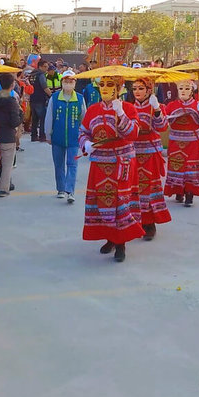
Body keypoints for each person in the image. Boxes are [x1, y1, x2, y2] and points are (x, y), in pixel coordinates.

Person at [78, 76, 143, 262]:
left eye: (110, 84)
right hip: (100, 163)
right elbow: (83, 132)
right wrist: (87, 143)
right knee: (103, 201)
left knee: (119, 201)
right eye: (102, 85)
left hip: (122, 162)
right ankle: (110, 238)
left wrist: (121, 114)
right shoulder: (92, 109)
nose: (105, 88)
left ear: (119, 87)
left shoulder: (129, 108)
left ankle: (121, 243)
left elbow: (133, 134)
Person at [130, 77, 171, 240]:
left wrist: (157, 110)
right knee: (134, 187)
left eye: (141, 88)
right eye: (134, 88)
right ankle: (135, 221)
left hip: (150, 151)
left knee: (149, 186)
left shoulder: (158, 106)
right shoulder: (129, 107)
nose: (137, 92)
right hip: (133, 151)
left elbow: (162, 127)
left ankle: (149, 223)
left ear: (149, 90)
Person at [164, 79, 199, 206]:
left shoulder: (198, 104)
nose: (183, 91)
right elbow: (162, 123)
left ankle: (189, 193)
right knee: (177, 166)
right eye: (181, 89)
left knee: (190, 168)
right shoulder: (171, 105)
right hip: (175, 142)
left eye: (186, 88)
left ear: (192, 91)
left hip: (192, 143)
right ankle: (178, 191)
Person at [46, 70, 86, 202]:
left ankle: (70, 191)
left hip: (74, 138)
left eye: (71, 81)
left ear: (75, 83)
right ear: (62, 82)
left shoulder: (80, 98)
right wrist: (48, 133)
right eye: (66, 81)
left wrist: (84, 136)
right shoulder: (55, 97)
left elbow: (83, 118)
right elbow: (49, 117)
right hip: (57, 137)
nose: (68, 84)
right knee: (58, 164)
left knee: (72, 164)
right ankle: (61, 189)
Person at [30, 60, 51, 141]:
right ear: (40, 66)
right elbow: (45, 87)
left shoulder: (32, 74)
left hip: (32, 98)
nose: (47, 68)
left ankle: (34, 136)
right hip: (40, 99)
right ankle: (42, 136)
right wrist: (51, 95)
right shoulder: (41, 75)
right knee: (42, 118)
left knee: (34, 119)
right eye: (45, 67)